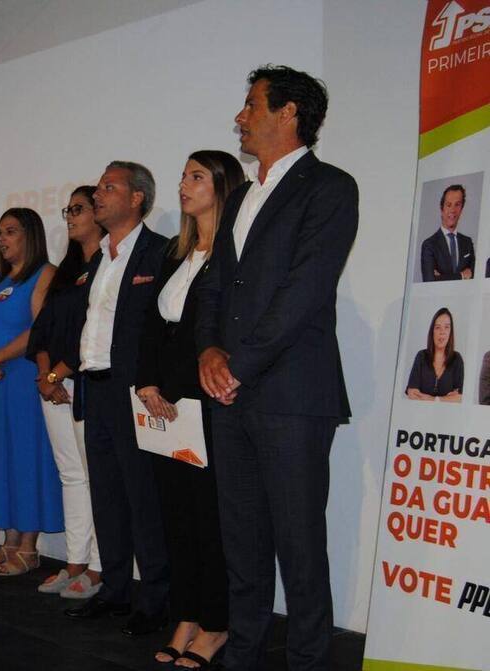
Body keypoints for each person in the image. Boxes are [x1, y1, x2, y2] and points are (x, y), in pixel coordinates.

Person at [195, 65, 358, 671]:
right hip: (230, 393)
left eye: (251, 104)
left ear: (288, 113)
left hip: (292, 396)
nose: (239, 117)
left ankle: (309, 661)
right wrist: (209, 352)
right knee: (242, 542)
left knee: (300, 545)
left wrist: (239, 364)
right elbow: (215, 284)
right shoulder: (240, 196)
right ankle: (243, 654)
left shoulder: (330, 187)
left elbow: (306, 289)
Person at [136, 151, 245, 668]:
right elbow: (149, 326)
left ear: (223, 186)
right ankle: (185, 615)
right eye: (182, 176)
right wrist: (145, 382)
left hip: (209, 402)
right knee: (175, 516)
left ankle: (216, 624)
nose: (183, 185)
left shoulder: (235, 253)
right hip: (164, 404)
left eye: (196, 177)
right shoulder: (173, 254)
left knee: (210, 519)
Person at [64, 162, 171, 638]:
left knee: (143, 498)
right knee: (106, 496)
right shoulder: (98, 259)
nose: (98, 194)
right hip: (96, 388)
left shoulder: (159, 252)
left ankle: (156, 599)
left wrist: (153, 382)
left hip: (135, 392)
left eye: (109, 187)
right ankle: (114, 589)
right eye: (98, 187)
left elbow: (164, 328)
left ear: (137, 198)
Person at [0, 207, 62, 576]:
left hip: (22, 379)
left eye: (10, 231)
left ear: (30, 235)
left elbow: (40, 329)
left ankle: (28, 546)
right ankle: (9, 540)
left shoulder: (45, 274)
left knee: (25, 458)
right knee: (1, 459)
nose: (1, 239)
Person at [28, 186, 104, 599]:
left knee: (97, 478)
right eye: (68, 209)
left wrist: (58, 375)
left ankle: (99, 567)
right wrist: (46, 375)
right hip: (54, 386)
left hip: (86, 384)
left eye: (79, 208)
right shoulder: (65, 271)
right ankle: (75, 562)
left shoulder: (110, 264)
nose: (70, 216)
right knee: (71, 476)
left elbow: (96, 333)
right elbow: (42, 330)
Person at [405, 307, 463, 402]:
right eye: (438, 327)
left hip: (446, 412)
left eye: (446, 327)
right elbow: (412, 393)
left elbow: (459, 397)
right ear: (432, 331)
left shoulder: (457, 359)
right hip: (420, 411)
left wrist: (434, 399)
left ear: (450, 332)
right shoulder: (421, 356)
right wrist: (446, 399)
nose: (442, 332)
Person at [420, 185, 473, 282]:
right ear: (442, 209)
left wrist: (441, 277)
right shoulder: (429, 245)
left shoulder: (468, 243)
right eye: (448, 205)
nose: (453, 210)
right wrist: (461, 276)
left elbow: (475, 275)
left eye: (457, 205)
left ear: (461, 209)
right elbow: (430, 281)